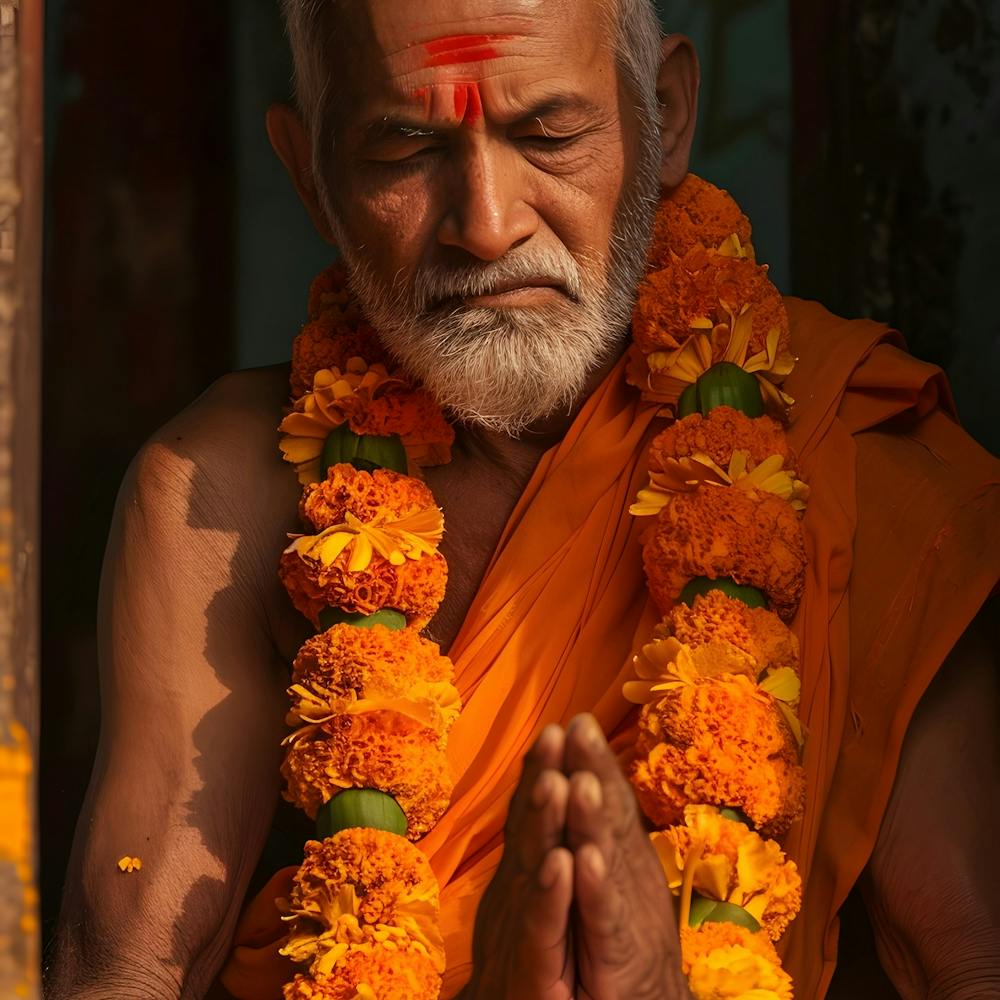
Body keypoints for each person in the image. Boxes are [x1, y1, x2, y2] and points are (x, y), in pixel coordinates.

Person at [47, 1, 999, 998]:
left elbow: (968, 963)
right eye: (404, 147)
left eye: (548, 133)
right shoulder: (221, 501)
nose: (487, 224)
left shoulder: (857, 464)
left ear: (664, 116)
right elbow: (124, 965)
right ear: (308, 173)